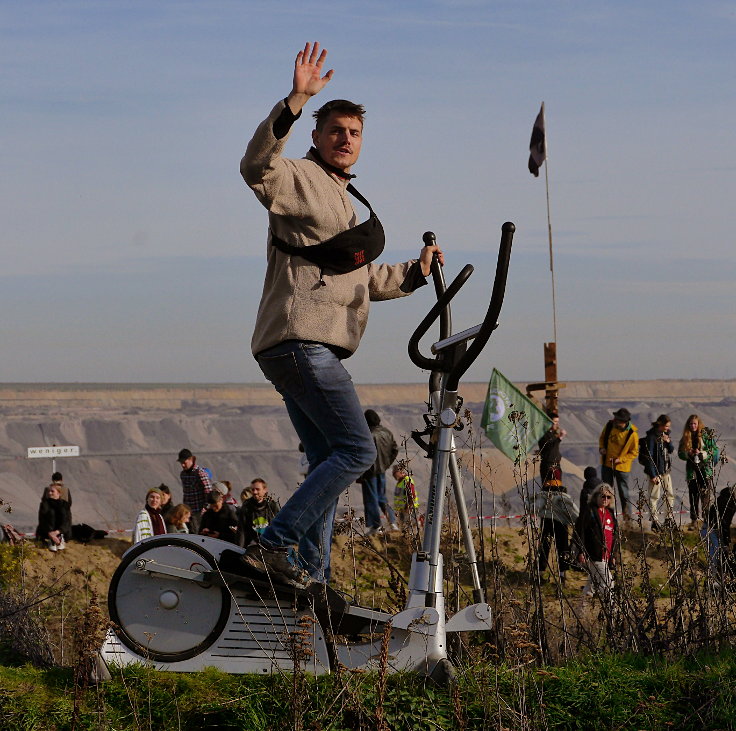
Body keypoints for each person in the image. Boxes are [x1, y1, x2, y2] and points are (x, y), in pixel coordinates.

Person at [239, 41, 443, 587]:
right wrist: (296, 98)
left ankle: (310, 577)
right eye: (335, 130)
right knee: (356, 449)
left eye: (354, 132)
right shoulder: (300, 178)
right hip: (301, 342)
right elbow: (256, 166)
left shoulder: (343, 198)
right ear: (316, 136)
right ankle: (275, 545)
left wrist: (417, 273)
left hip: (300, 345)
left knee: (329, 457)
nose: (346, 139)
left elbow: (363, 280)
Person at [575, 483, 618, 601]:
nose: (605, 499)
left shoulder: (610, 514)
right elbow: (581, 532)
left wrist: (613, 555)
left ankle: (580, 613)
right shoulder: (590, 512)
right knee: (608, 584)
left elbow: (614, 536)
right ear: (596, 497)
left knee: (590, 587)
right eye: (602, 496)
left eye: (608, 497)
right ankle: (612, 615)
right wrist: (581, 551)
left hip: (606, 555)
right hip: (594, 554)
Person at [359, 410, 399, 534]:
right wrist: (386, 464)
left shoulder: (367, 434)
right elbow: (395, 449)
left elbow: (362, 453)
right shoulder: (387, 433)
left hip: (369, 471)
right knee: (382, 497)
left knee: (370, 498)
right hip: (382, 470)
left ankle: (375, 526)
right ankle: (392, 522)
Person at [678, 414, 720, 530]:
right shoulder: (685, 438)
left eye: (694, 423)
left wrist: (702, 454)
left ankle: (706, 521)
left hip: (705, 470)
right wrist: (688, 453)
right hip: (692, 471)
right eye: (691, 424)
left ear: (698, 424)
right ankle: (694, 521)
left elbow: (714, 450)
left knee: (705, 496)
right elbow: (680, 453)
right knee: (693, 497)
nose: (692, 426)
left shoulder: (706, 436)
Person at [533, 478, 579, 584]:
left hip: (546, 522)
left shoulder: (543, 496)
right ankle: (562, 576)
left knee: (544, 548)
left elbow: (536, 507)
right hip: (561, 524)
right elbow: (572, 511)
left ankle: (540, 574)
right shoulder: (563, 497)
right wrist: (578, 521)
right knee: (562, 549)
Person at [598, 408, 639, 522]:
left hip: (622, 467)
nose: (615, 420)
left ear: (624, 421)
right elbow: (602, 438)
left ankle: (627, 518)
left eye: (618, 419)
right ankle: (606, 516)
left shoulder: (632, 434)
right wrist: (602, 448)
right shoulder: (610, 425)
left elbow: (634, 452)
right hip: (607, 464)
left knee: (624, 493)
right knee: (606, 492)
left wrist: (621, 459)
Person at [640, 415, 675, 531]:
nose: (667, 428)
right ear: (660, 424)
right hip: (656, 472)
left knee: (669, 495)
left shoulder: (665, 435)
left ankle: (668, 518)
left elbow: (670, 450)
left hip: (666, 471)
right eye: (666, 426)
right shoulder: (651, 437)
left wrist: (668, 441)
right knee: (654, 496)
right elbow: (649, 457)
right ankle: (654, 520)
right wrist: (653, 474)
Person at [701, 485, 736, 579]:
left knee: (719, 556)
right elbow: (724, 523)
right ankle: (714, 581)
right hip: (711, 530)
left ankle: (716, 580)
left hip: (712, 528)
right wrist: (727, 541)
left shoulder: (728, 498)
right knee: (716, 557)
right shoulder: (728, 503)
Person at [177, 448, 213, 534]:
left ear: (191, 460)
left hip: (199, 512)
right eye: (181, 463)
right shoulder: (183, 475)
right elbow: (186, 493)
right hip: (188, 512)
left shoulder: (200, 473)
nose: (182, 465)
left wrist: (205, 509)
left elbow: (208, 492)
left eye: (184, 462)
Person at [238, 478, 281, 548]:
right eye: (253, 489)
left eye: (257, 489)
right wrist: (239, 548)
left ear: (265, 490)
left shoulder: (272, 506)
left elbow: (278, 527)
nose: (255, 492)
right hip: (251, 546)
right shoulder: (247, 506)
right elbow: (241, 530)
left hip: (269, 545)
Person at [36, 483, 72, 552]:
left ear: (59, 493)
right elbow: (42, 520)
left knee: (63, 512)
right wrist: (50, 533)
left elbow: (67, 521)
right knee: (51, 513)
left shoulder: (65, 505)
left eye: (52, 491)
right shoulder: (44, 504)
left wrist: (58, 531)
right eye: (49, 491)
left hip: (62, 532)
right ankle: (51, 540)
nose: (50, 493)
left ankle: (60, 538)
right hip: (47, 532)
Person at [537, 412, 566, 484]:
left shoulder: (553, 434)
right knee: (549, 489)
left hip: (556, 465)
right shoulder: (543, 434)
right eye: (555, 422)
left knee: (557, 489)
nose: (557, 424)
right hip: (548, 466)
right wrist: (560, 438)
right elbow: (548, 446)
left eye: (557, 422)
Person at [392, 464, 419, 529]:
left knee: (409, 528)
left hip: (409, 510)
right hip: (403, 511)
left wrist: (408, 507)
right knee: (403, 529)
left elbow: (412, 496)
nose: (393, 475)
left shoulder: (407, 481)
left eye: (394, 473)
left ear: (401, 472)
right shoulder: (400, 482)